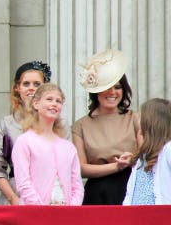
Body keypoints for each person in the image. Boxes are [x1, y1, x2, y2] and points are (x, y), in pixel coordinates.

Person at [72, 48, 139, 205]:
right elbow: (81, 169)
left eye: (117, 87)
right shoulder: (80, 126)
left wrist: (132, 160)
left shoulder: (135, 119)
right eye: (107, 87)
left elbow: (146, 157)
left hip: (131, 189)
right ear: (96, 91)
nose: (113, 92)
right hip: (97, 195)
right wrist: (117, 166)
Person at [0, 60, 52, 205]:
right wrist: (13, 198)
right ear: (17, 88)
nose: (31, 88)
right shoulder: (7, 124)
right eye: (26, 84)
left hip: (51, 195)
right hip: (16, 195)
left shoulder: (59, 124)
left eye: (37, 84)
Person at [12, 84, 83, 205]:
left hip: (65, 215)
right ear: (36, 103)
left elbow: (77, 186)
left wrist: (72, 209)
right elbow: (23, 183)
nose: (54, 104)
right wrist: (41, 209)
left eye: (58, 101)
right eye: (49, 99)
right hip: (34, 214)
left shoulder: (68, 147)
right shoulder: (24, 141)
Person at [123, 98, 171, 205]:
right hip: (137, 218)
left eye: (141, 116)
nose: (138, 119)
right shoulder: (141, 159)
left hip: (161, 217)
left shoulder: (168, 150)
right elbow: (130, 194)